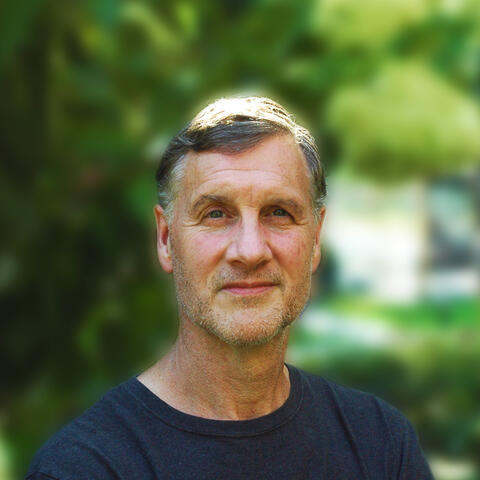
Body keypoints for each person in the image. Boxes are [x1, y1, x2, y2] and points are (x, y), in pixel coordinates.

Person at [26, 96, 433, 479]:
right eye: (216, 214)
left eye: (279, 212)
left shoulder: (381, 446)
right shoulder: (84, 467)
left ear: (315, 240)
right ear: (166, 239)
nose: (250, 251)